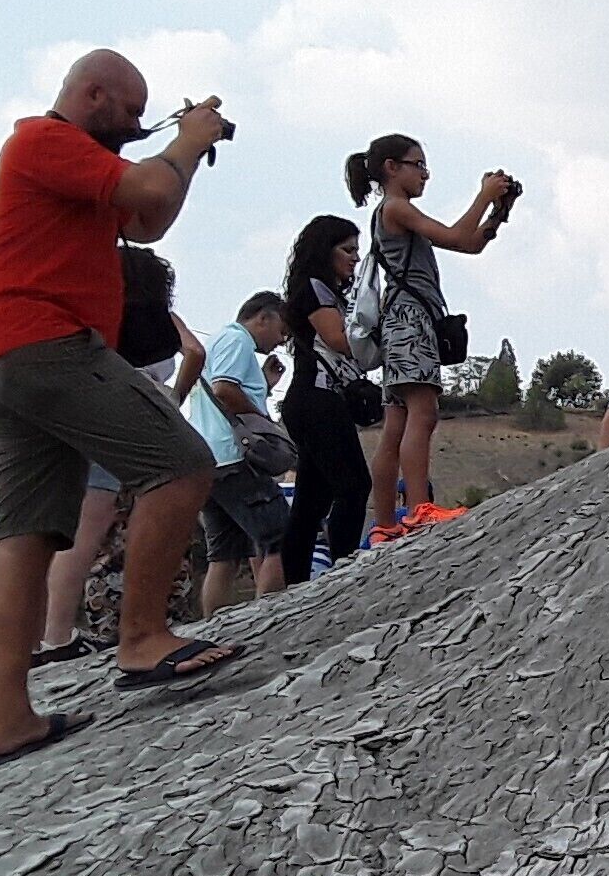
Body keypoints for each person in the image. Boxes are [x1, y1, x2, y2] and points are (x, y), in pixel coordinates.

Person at [0, 48, 238, 764]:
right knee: (180, 466)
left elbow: (149, 222)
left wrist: (186, 155)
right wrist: (189, 136)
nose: (137, 127)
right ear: (93, 95)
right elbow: (147, 186)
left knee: (24, 539)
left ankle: (7, 721)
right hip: (46, 343)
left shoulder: (68, 163)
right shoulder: (42, 139)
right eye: (131, 113)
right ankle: (142, 640)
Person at [347, 132, 515, 545]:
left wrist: (497, 213)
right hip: (410, 318)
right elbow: (457, 236)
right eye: (418, 165)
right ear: (392, 168)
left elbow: (471, 244)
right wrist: (483, 195)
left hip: (398, 319)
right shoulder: (397, 209)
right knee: (422, 412)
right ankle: (420, 508)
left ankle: (386, 523)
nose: (424, 174)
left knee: (397, 421)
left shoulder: (393, 213)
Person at [45, 249, 203, 658]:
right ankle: (67, 633)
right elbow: (194, 352)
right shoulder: (154, 316)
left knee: (86, 529)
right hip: (130, 416)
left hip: (90, 409)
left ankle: (55, 631)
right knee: (100, 525)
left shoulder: (94, 309)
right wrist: (172, 399)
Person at [278, 216, 374, 579]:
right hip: (318, 397)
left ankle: (299, 581)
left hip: (309, 399)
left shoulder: (319, 291)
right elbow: (338, 340)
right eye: (347, 250)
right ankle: (342, 569)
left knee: (311, 500)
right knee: (352, 485)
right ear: (325, 251)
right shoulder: (317, 290)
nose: (354, 258)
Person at [189, 290, 293, 613]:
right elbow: (224, 389)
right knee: (282, 536)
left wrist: (263, 384)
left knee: (224, 556)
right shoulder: (238, 341)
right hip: (235, 458)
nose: (281, 339)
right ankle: (269, 616)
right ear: (263, 317)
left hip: (208, 461)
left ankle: (213, 624)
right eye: (282, 329)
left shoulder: (218, 341)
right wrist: (263, 422)